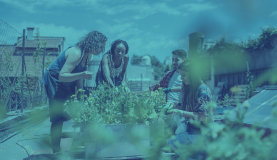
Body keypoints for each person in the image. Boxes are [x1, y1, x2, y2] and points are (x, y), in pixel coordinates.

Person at [42, 31, 107, 157]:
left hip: (68, 81)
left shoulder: (88, 56)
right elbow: (62, 76)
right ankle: (57, 152)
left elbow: (78, 75)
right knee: (58, 116)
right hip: (55, 80)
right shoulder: (76, 53)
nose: (102, 49)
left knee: (87, 101)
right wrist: (82, 75)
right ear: (93, 43)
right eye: (101, 46)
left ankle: (84, 142)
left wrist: (81, 92)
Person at [166, 60, 213, 158]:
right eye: (180, 75)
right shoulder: (190, 88)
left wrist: (179, 112)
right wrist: (173, 107)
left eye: (184, 75)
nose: (181, 78)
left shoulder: (202, 90)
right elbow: (186, 109)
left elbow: (202, 117)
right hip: (192, 131)